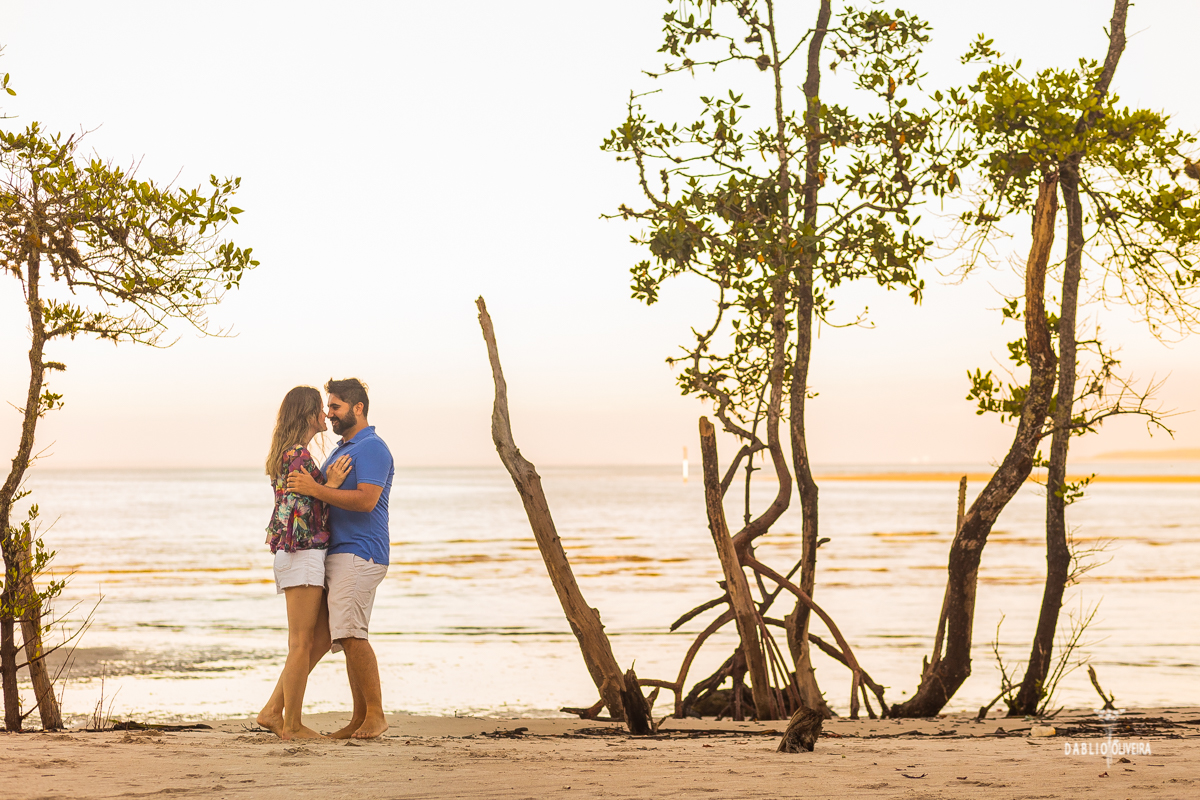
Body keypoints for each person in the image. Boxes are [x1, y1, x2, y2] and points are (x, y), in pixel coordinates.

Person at [288, 377, 394, 740]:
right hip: (338, 553)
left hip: (360, 551)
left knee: (351, 634)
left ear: (358, 408)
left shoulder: (372, 448)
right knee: (347, 635)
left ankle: (376, 715)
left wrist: (317, 489)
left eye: (335, 406)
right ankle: (359, 718)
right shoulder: (341, 450)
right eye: (328, 407)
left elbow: (367, 501)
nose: (329, 413)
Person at [256, 386, 351, 740]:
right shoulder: (297, 455)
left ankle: (272, 710)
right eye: (321, 409)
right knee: (300, 643)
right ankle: (291, 724)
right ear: (309, 414)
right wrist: (333, 484)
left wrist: (324, 484)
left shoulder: (290, 454)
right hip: (303, 553)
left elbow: (303, 501)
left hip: (300, 554)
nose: (325, 415)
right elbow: (307, 507)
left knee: (320, 638)